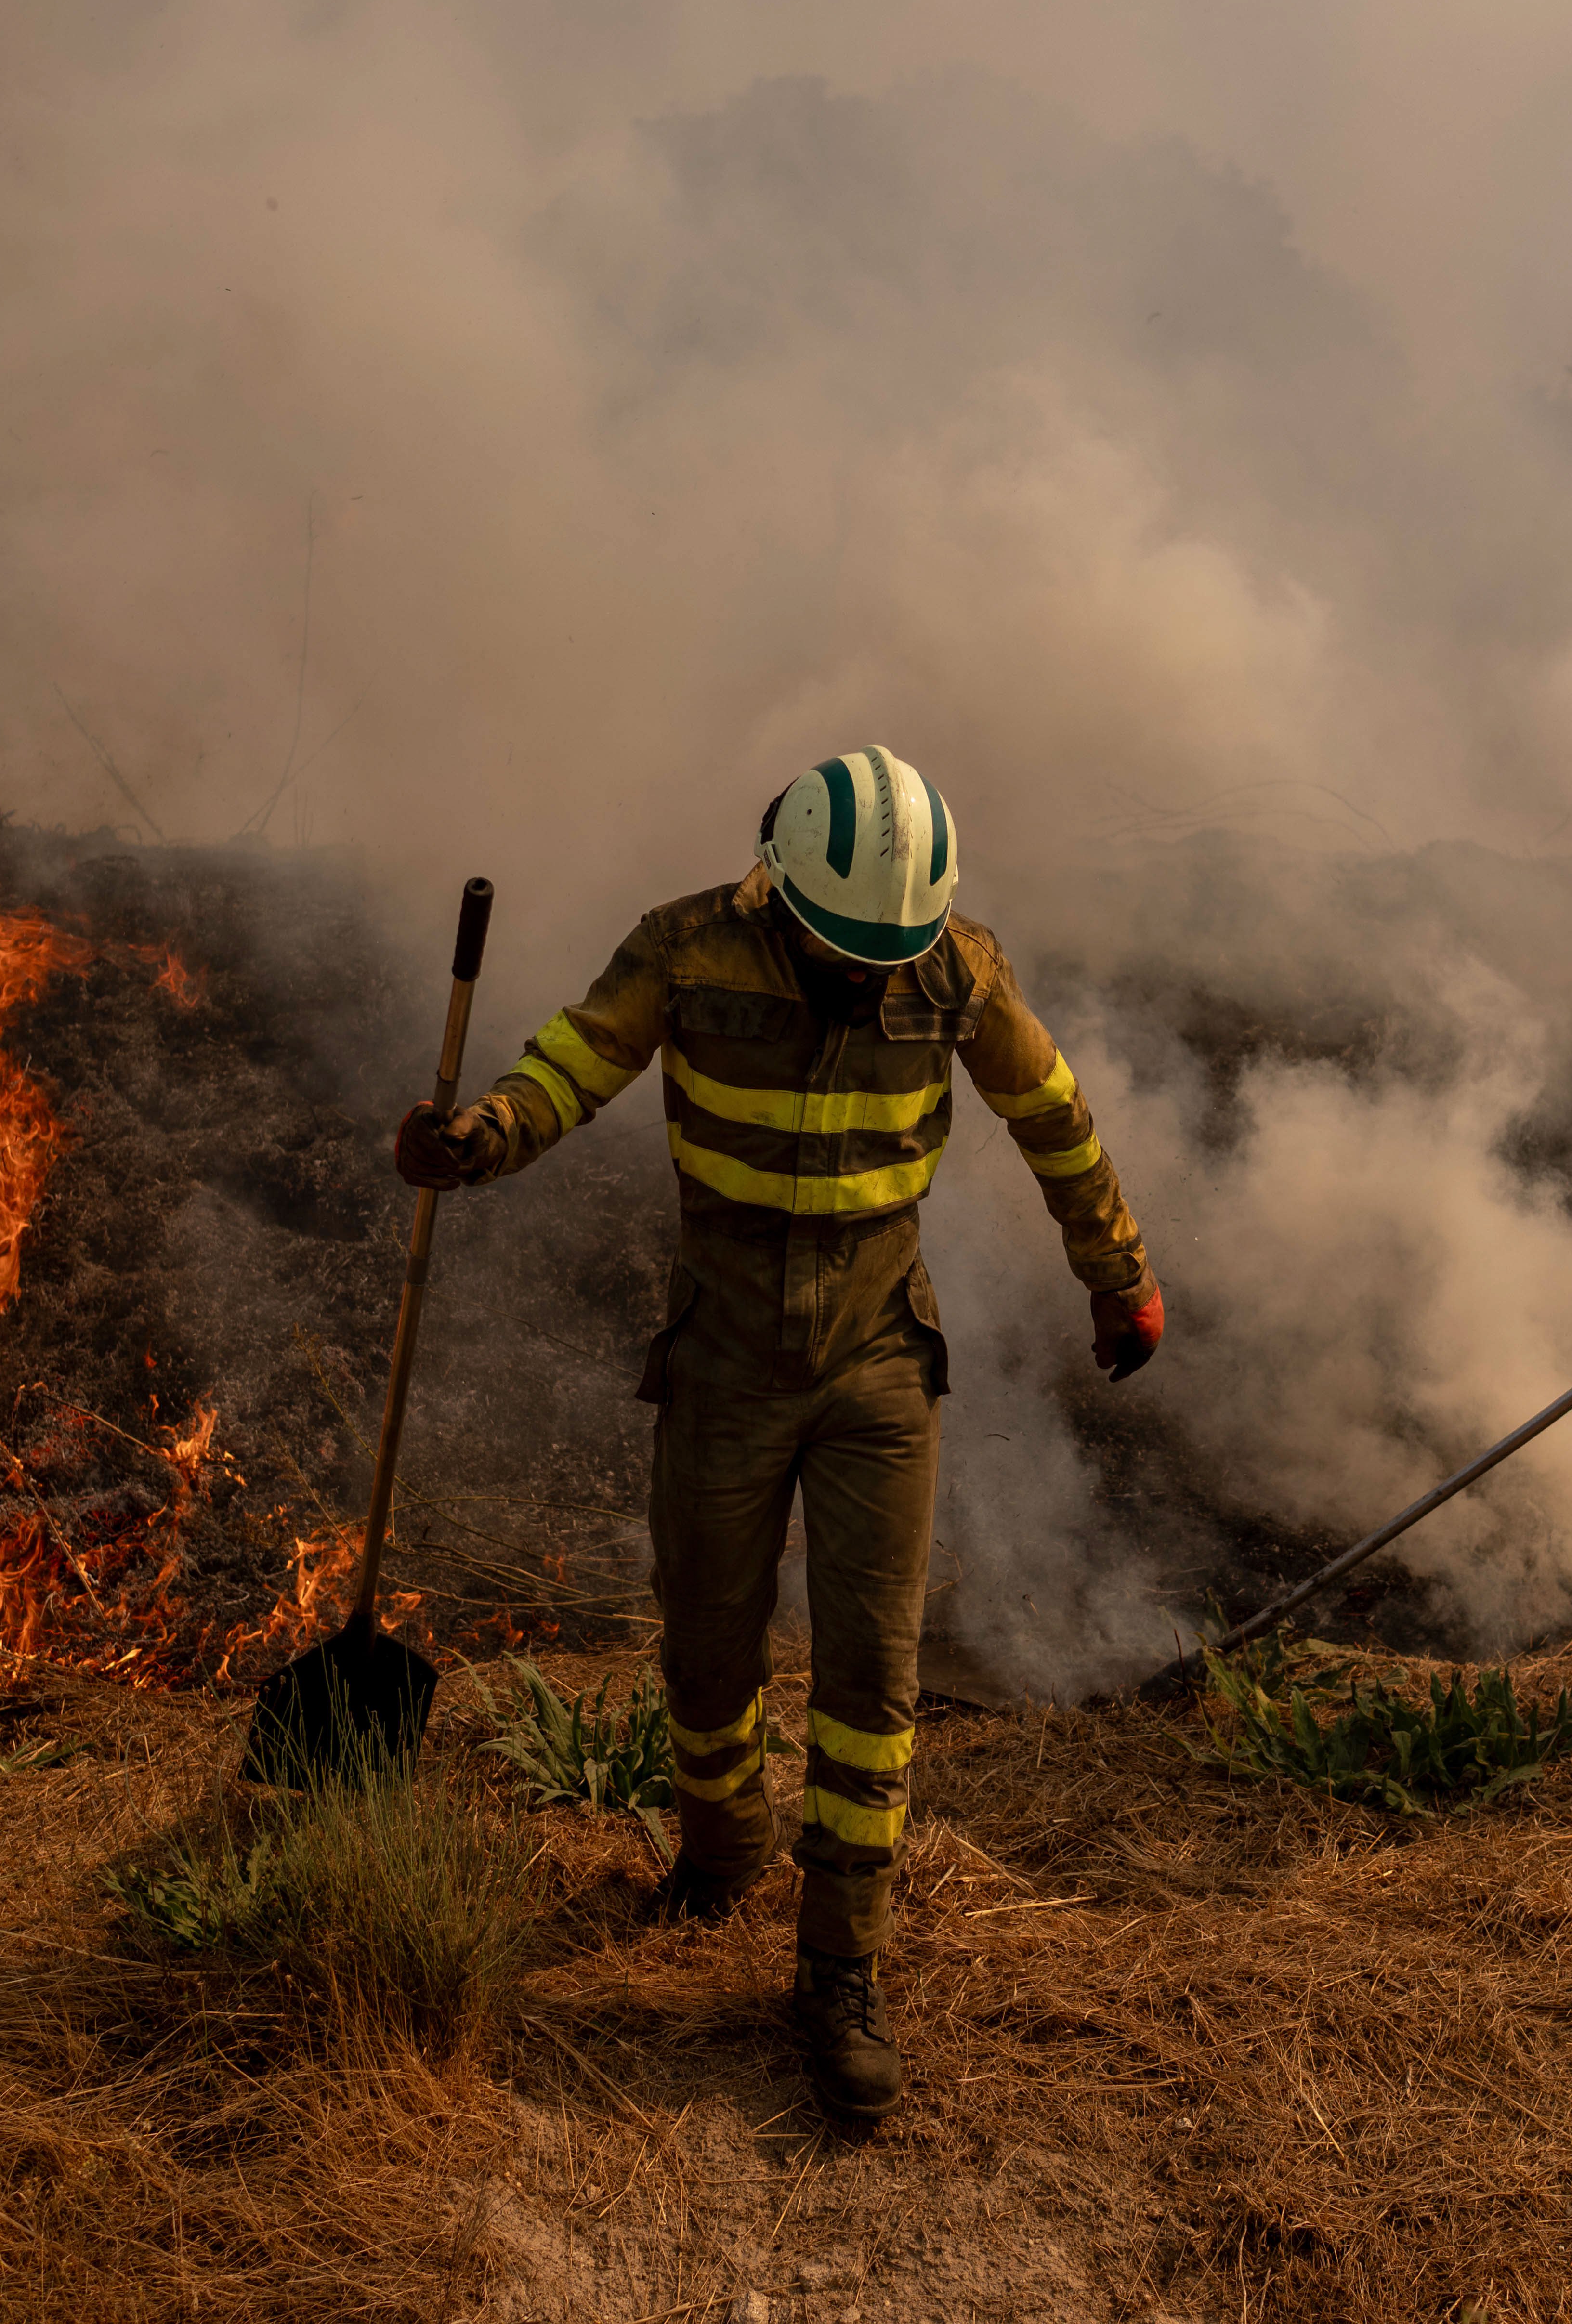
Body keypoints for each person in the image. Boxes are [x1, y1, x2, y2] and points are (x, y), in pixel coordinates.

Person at [395, 745, 1162, 2120]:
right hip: (726, 1356)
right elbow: (581, 1053)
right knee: (705, 1639)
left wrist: (1116, 1272)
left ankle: (837, 1970)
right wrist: (485, 1134)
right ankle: (719, 1848)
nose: (867, 977)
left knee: (872, 1678)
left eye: (888, 956)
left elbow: (1050, 1114)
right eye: (842, 949)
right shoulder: (686, 948)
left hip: (876, 1361)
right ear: (778, 892)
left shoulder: (954, 969)